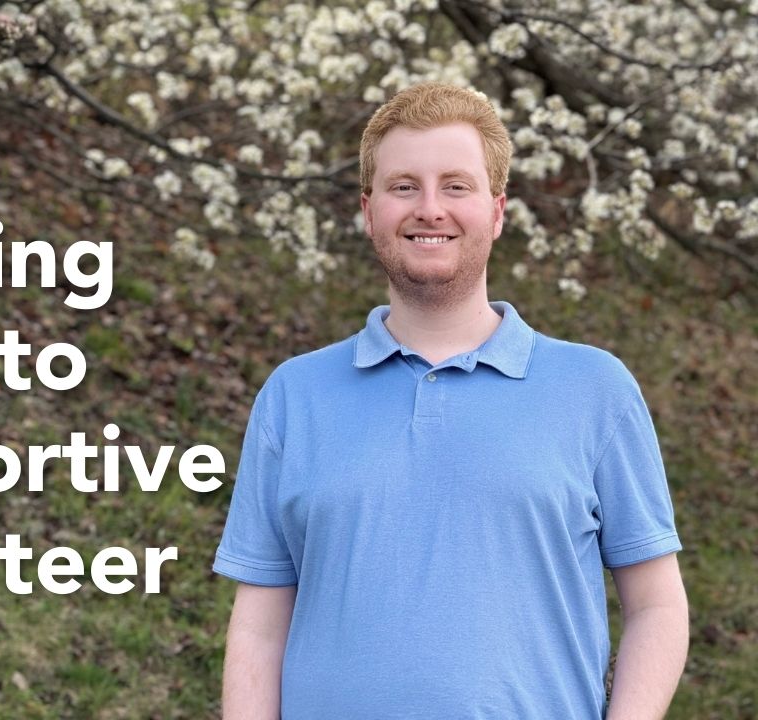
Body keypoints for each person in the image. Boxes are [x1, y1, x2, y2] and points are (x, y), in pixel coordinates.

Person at [213, 83, 688, 719]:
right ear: (369, 211)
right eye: (404, 186)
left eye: (456, 186)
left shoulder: (595, 390)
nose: (430, 209)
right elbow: (258, 625)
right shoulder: (293, 397)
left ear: (497, 211)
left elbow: (657, 605)